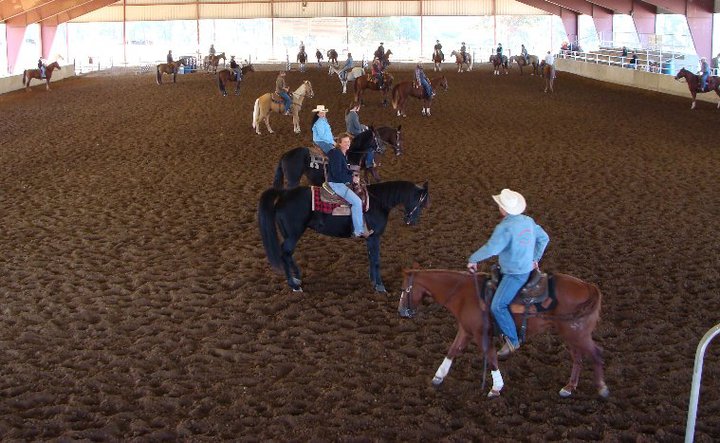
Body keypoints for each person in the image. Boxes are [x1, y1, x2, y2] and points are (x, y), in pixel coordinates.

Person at [467, 189, 550, 358]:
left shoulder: (504, 227)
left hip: (515, 273)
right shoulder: (528, 221)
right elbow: (544, 238)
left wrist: (473, 258)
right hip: (527, 267)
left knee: (497, 305)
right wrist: (535, 258)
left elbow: (492, 248)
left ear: (503, 209)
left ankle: (513, 340)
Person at [327, 132, 373, 239]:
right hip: (336, 184)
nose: (348, 144)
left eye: (349, 141)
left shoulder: (341, 153)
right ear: (340, 143)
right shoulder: (337, 155)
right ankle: (358, 231)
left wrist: (352, 174)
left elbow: (343, 170)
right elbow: (337, 174)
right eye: (345, 142)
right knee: (357, 202)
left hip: (339, 182)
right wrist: (351, 178)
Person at [345, 102, 373, 169]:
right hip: (355, 133)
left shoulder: (348, 114)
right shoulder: (354, 115)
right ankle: (369, 163)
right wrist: (365, 127)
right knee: (370, 145)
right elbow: (357, 126)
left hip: (349, 132)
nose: (359, 108)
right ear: (356, 107)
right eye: (359, 107)